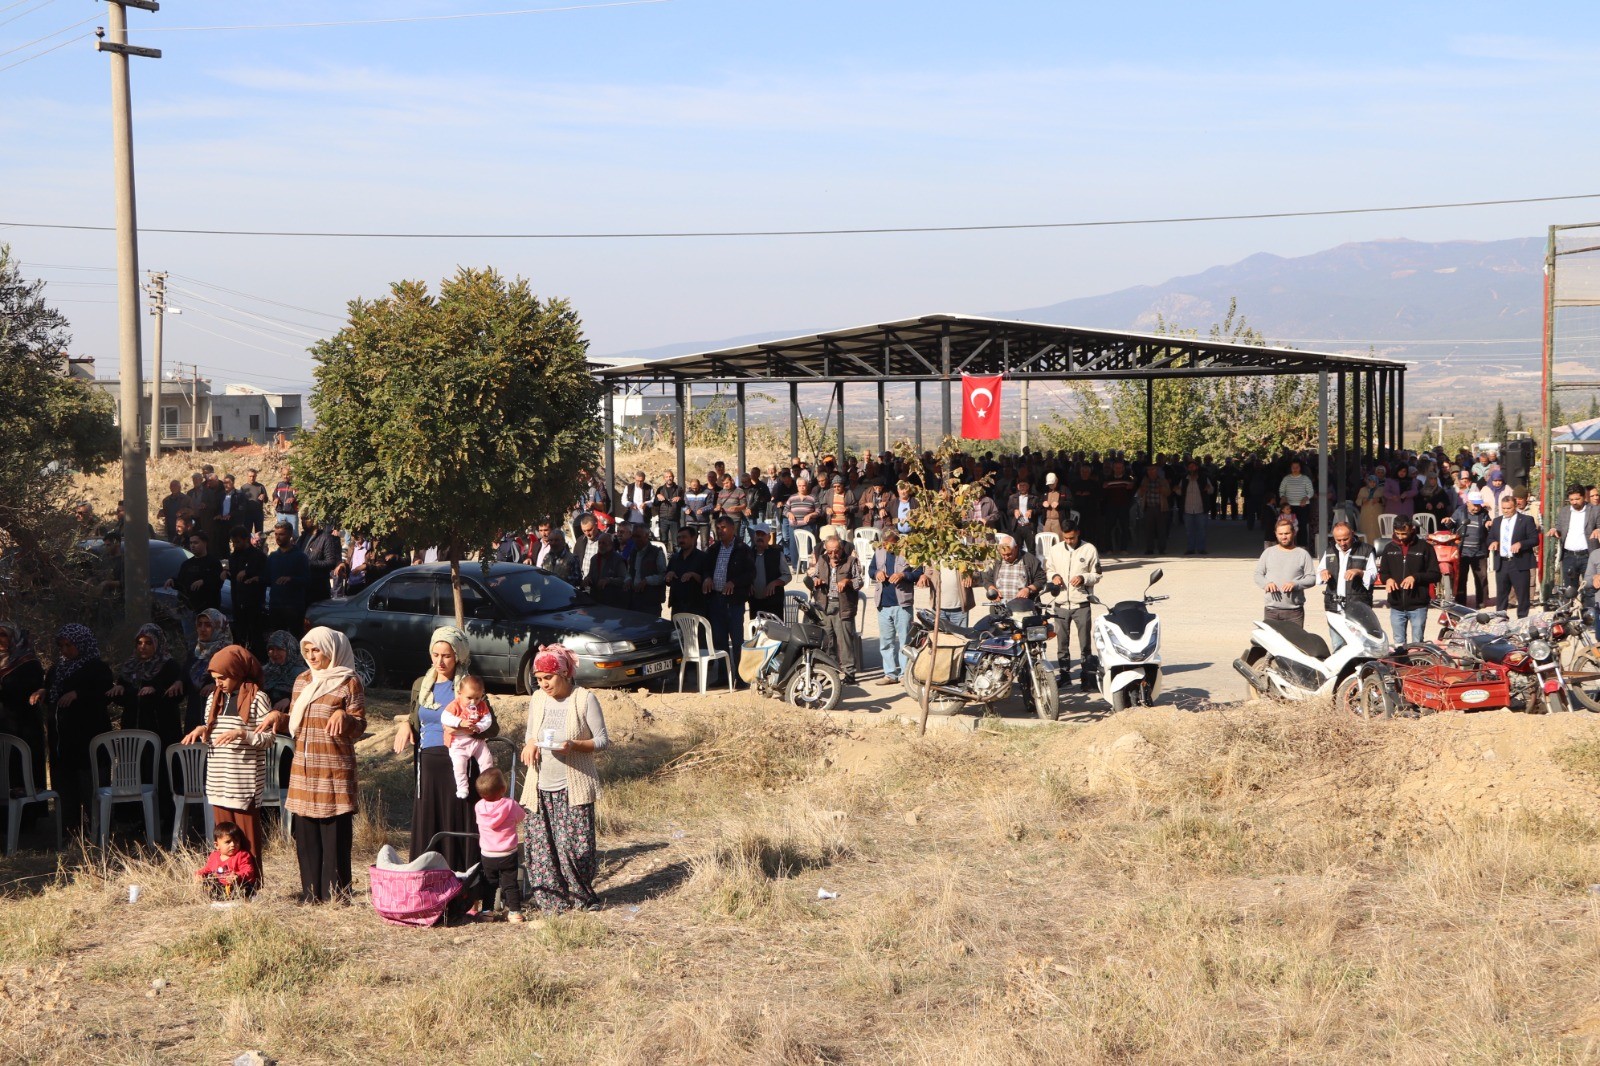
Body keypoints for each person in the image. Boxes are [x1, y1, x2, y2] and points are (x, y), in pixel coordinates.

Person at [393, 626, 496, 879]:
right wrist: (406, 723)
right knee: (430, 820)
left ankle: (463, 883)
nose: (440, 661)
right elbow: (417, 716)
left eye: (447, 655)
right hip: (428, 762)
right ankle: (426, 882)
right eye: (435, 654)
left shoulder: (468, 685)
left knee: (458, 819)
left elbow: (492, 726)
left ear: (458, 656)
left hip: (459, 761)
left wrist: (473, 728)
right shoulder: (421, 685)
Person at [518, 644, 609, 912]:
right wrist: (530, 744)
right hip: (540, 786)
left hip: (573, 785)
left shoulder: (584, 699)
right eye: (539, 680)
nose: (543, 684)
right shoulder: (538, 699)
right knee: (542, 850)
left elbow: (602, 741)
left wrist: (574, 745)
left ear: (565, 674)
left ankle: (583, 898)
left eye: (548, 678)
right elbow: (531, 734)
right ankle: (552, 903)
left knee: (574, 850)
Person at [283, 626, 365, 904]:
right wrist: (276, 718)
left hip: (334, 769)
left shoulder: (348, 682)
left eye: (316, 649)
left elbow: (359, 726)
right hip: (304, 768)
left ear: (331, 650)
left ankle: (337, 894)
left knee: (335, 833)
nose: (311, 655)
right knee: (305, 833)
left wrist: (345, 715)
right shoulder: (302, 681)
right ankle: (311, 893)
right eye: (307, 650)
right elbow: (295, 722)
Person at [184, 644, 273, 864]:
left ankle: (250, 886)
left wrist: (243, 733)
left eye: (223, 677)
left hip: (243, 783)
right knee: (225, 840)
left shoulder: (257, 698)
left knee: (247, 840)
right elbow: (211, 729)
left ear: (236, 671)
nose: (218, 683)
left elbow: (269, 738)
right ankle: (227, 884)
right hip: (218, 780)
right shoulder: (214, 698)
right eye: (215, 678)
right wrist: (202, 730)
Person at [31, 624, 114, 832]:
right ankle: (70, 828)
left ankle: (95, 829)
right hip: (62, 739)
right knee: (65, 782)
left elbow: (104, 693)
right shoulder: (57, 668)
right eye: (62, 645)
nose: (65, 650)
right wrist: (43, 691)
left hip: (87, 737)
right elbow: (51, 688)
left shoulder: (97, 667)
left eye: (70, 645)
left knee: (89, 783)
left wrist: (78, 693)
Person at [1044, 521, 1101, 690]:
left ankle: (1087, 678)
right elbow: (1048, 568)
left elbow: (1097, 574)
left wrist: (1083, 578)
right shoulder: (1055, 550)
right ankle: (1065, 676)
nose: (1069, 541)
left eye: (1072, 538)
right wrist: (1054, 576)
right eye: (1066, 538)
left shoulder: (1089, 549)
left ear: (1078, 533)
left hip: (1081, 603)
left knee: (1085, 645)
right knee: (1062, 644)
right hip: (1060, 604)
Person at [701, 515, 755, 686]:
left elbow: (750, 574)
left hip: (734, 601)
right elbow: (706, 568)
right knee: (719, 640)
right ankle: (723, 676)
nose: (720, 531)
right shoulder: (713, 549)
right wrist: (707, 577)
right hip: (716, 599)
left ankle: (740, 677)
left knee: (737, 640)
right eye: (718, 528)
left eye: (723, 527)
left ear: (732, 529)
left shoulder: (743, 549)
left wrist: (734, 582)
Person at [0, 624, 47, 797]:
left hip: (24, 725)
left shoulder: (28, 662)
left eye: (3, 635)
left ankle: (28, 819)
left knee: (24, 773)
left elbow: (28, 689)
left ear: (14, 637)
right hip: (4, 723)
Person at [474, 767, 526, 921]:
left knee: (489, 883)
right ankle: (515, 912)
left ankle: (487, 912)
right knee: (510, 883)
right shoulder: (510, 805)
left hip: (488, 853)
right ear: (503, 789)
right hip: (507, 852)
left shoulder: (479, 807)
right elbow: (521, 817)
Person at [868, 530, 919, 687]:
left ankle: (905, 675)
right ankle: (890, 673)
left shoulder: (909, 551)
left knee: (905, 641)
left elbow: (918, 572)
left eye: (889, 543)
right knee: (886, 641)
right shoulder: (879, 551)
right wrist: (876, 573)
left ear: (896, 541)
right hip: (883, 604)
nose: (886, 546)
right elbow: (870, 570)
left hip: (902, 604)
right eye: (884, 543)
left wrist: (903, 575)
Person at [1378, 518, 1440, 643]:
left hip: (1418, 605)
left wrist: (1415, 577)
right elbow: (1383, 573)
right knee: (1399, 642)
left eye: (1404, 534)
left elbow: (1435, 575)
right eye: (1398, 533)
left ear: (1412, 529)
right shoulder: (1389, 548)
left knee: (1417, 642)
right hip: (1396, 605)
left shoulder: (1425, 548)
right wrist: (1388, 580)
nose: (1400, 537)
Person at [1317, 523, 1378, 646]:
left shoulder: (1366, 549)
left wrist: (1359, 572)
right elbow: (1320, 572)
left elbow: (1373, 575)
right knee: (1337, 644)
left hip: (1357, 606)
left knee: (1360, 644)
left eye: (1346, 539)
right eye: (1338, 540)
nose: (1342, 543)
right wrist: (1323, 573)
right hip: (1334, 606)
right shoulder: (1329, 550)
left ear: (1353, 534)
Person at [1253, 518, 1317, 626]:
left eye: (1287, 533)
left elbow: (1312, 578)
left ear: (1294, 533)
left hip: (1294, 612)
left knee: (1295, 642)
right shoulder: (1268, 552)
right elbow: (1258, 574)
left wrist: (1296, 584)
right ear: (1276, 534)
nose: (1284, 537)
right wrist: (1266, 584)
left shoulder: (1303, 554)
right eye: (1280, 534)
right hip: (1271, 611)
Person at [442, 674, 495, 800]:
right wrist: (460, 723)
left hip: (476, 740)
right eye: (469, 698)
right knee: (459, 765)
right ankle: (462, 787)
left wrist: (480, 727)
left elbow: (488, 719)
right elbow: (445, 717)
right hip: (458, 742)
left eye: (477, 698)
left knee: (487, 760)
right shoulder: (455, 705)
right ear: (460, 693)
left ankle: (488, 784)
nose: (473, 702)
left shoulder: (481, 705)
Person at [1488, 494, 1539, 619]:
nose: (1505, 511)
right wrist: (1493, 542)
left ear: (1515, 506)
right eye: (1503, 508)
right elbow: (1490, 537)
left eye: (1508, 508)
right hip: (1502, 562)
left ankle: (1522, 619)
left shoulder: (1526, 520)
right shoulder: (1497, 521)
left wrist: (1521, 543)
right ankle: (1500, 619)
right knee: (1501, 594)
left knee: (1522, 594)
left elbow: (1534, 539)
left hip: (1519, 563)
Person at [184, 608, 232, 731]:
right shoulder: (195, 651)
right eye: (199, 624)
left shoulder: (228, 653)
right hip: (194, 709)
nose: (202, 629)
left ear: (218, 627)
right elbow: (186, 674)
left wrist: (216, 685)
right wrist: (179, 681)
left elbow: (235, 680)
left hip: (218, 710)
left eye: (208, 625)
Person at [226, 526, 269, 656]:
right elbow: (233, 577)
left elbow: (266, 576)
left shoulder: (258, 556)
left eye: (238, 542)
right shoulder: (233, 557)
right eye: (233, 542)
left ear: (246, 540)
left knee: (255, 636)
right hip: (238, 602)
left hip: (254, 603)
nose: (235, 545)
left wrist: (249, 572)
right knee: (240, 636)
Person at [1550, 485, 1600, 594]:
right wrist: (1555, 531)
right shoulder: (1565, 511)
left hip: (1588, 556)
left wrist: (1598, 530)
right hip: (1569, 556)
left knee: (1590, 588)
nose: (1574, 502)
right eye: (1571, 499)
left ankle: (1589, 610)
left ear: (1584, 497)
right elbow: (1559, 526)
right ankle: (1570, 609)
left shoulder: (1595, 510)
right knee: (1569, 590)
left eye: (1577, 499)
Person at [194, 821, 259, 900]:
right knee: (209, 884)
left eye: (236, 841)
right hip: (221, 886)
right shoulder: (214, 856)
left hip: (238, 885)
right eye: (228, 842)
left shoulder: (242, 855)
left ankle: (243, 898)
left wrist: (238, 876)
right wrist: (199, 874)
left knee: (242, 887)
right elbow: (207, 869)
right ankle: (215, 898)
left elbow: (248, 870)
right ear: (217, 845)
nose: (233, 844)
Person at [265, 521, 309, 635]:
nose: (278, 537)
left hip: (293, 607)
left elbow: (307, 580)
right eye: (276, 534)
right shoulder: (273, 557)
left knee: (295, 638)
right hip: (275, 606)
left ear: (290, 535)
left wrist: (291, 579)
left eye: (281, 534)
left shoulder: (300, 557)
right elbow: (266, 579)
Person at [982, 533, 1046, 603]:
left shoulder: (1030, 560)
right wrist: (992, 589)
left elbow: (1041, 579)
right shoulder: (995, 560)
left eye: (1009, 554)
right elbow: (986, 578)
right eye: (1003, 554)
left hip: (1024, 607)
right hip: (1000, 607)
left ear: (1016, 548)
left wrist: (1028, 589)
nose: (1006, 557)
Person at [747, 523, 791, 622]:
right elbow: (743, 574)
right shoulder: (748, 554)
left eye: (763, 535)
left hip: (773, 602)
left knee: (774, 633)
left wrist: (775, 583)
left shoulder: (777, 554)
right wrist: (748, 583)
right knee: (757, 632)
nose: (760, 537)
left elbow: (787, 575)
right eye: (758, 534)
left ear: (769, 537)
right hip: (755, 602)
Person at [663, 527, 707, 619]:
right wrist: (668, 576)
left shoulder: (703, 557)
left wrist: (693, 575)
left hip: (696, 606)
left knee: (697, 633)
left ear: (693, 538)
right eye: (679, 537)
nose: (681, 540)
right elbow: (667, 581)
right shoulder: (674, 558)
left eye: (684, 537)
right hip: (677, 605)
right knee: (677, 633)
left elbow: (707, 580)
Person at [625, 523, 668, 616]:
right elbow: (629, 572)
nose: (635, 540)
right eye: (634, 536)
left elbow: (663, 576)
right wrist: (628, 579)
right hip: (634, 599)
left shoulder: (657, 552)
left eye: (638, 537)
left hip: (651, 602)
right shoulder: (633, 552)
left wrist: (647, 580)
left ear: (647, 536)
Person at [1175, 460, 1213, 555]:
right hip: (1187, 509)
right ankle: (1190, 549)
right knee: (1189, 531)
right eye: (1190, 466)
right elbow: (1180, 492)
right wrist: (1176, 490)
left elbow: (1211, 490)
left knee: (1201, 531)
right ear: (1187, 468)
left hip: (1200, 508)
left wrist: (1209, 488)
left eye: (1193, 466)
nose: (1192, 468)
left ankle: (1201, 549)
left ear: (1197, 467)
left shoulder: (1203, 478)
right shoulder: (1184, 479)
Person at [262, 630, 305, 712]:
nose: (274, 653)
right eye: (271, 649)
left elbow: (308, 697)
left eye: (279, 649)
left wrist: (289, 699)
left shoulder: (303, 674)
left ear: (290, 649)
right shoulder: (264, 671)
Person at [1278, 460, 1316, 548]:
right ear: (1290, 468)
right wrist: (1283, 497)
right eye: (1293, 467)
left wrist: (1306, 498)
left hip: (1303, 506)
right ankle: (1289, 544)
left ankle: (1303, 545)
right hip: (1289, 506)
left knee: (1302, 526)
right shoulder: (1286, 479)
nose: (1295, 469)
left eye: (1297, 467)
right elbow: (1281, 491)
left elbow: (1310, 492)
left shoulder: (1305, 479)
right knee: (1288, 526)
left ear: (1300, 468)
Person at [1136, 465, 1171, 555]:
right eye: (1149, 470)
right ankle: (1149, 549)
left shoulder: (1163, 480)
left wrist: (1161, 490)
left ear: (1157, 471)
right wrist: (1142, 490)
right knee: (1148, 530)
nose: (1151, 472)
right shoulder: (1145, 480)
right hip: (1148, 508)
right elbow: (1139, 494)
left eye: (1153, 470)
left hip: (1160, 507)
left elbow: (1168, 492)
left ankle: (1162, 549)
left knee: (1161, 530)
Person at [1355, 474, 1384, 545]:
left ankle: (1377, 546)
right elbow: (1357, 502)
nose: (1372, 484)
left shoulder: (1381, 490)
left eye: (1374, 482)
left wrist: (1379, 499)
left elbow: (1385, 501)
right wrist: (1363, 500)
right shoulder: (1363, 490)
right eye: (1371, 482)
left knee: (1377, 530)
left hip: (1377, 514)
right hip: (1366, 515)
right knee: (1366, 530)